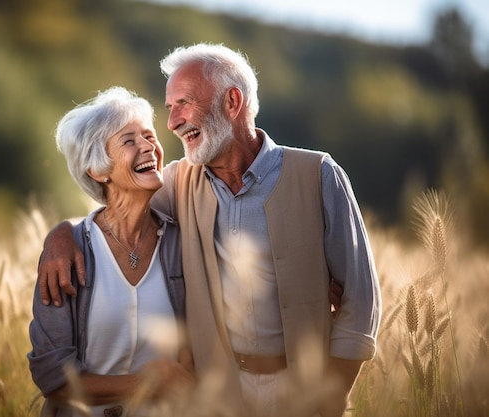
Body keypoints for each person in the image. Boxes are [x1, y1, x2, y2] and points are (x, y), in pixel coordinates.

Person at [37, 44, 381, 417]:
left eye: (183, 102)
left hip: (302, 394)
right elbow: (113, 212)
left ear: (232, 102)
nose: (171, 123)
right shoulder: (175, 183)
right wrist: (61, 235)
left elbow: (361, 303)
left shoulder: (317, 175)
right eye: (169, 109)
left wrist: (329, 398)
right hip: (216, 398)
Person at [27, 86, 194, 417]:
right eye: (129, 141)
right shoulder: (69, 252)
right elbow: (53, 377)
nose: (148, 146)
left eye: (149, 136)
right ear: (98, 169)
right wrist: (149, 382)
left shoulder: (182, 242)